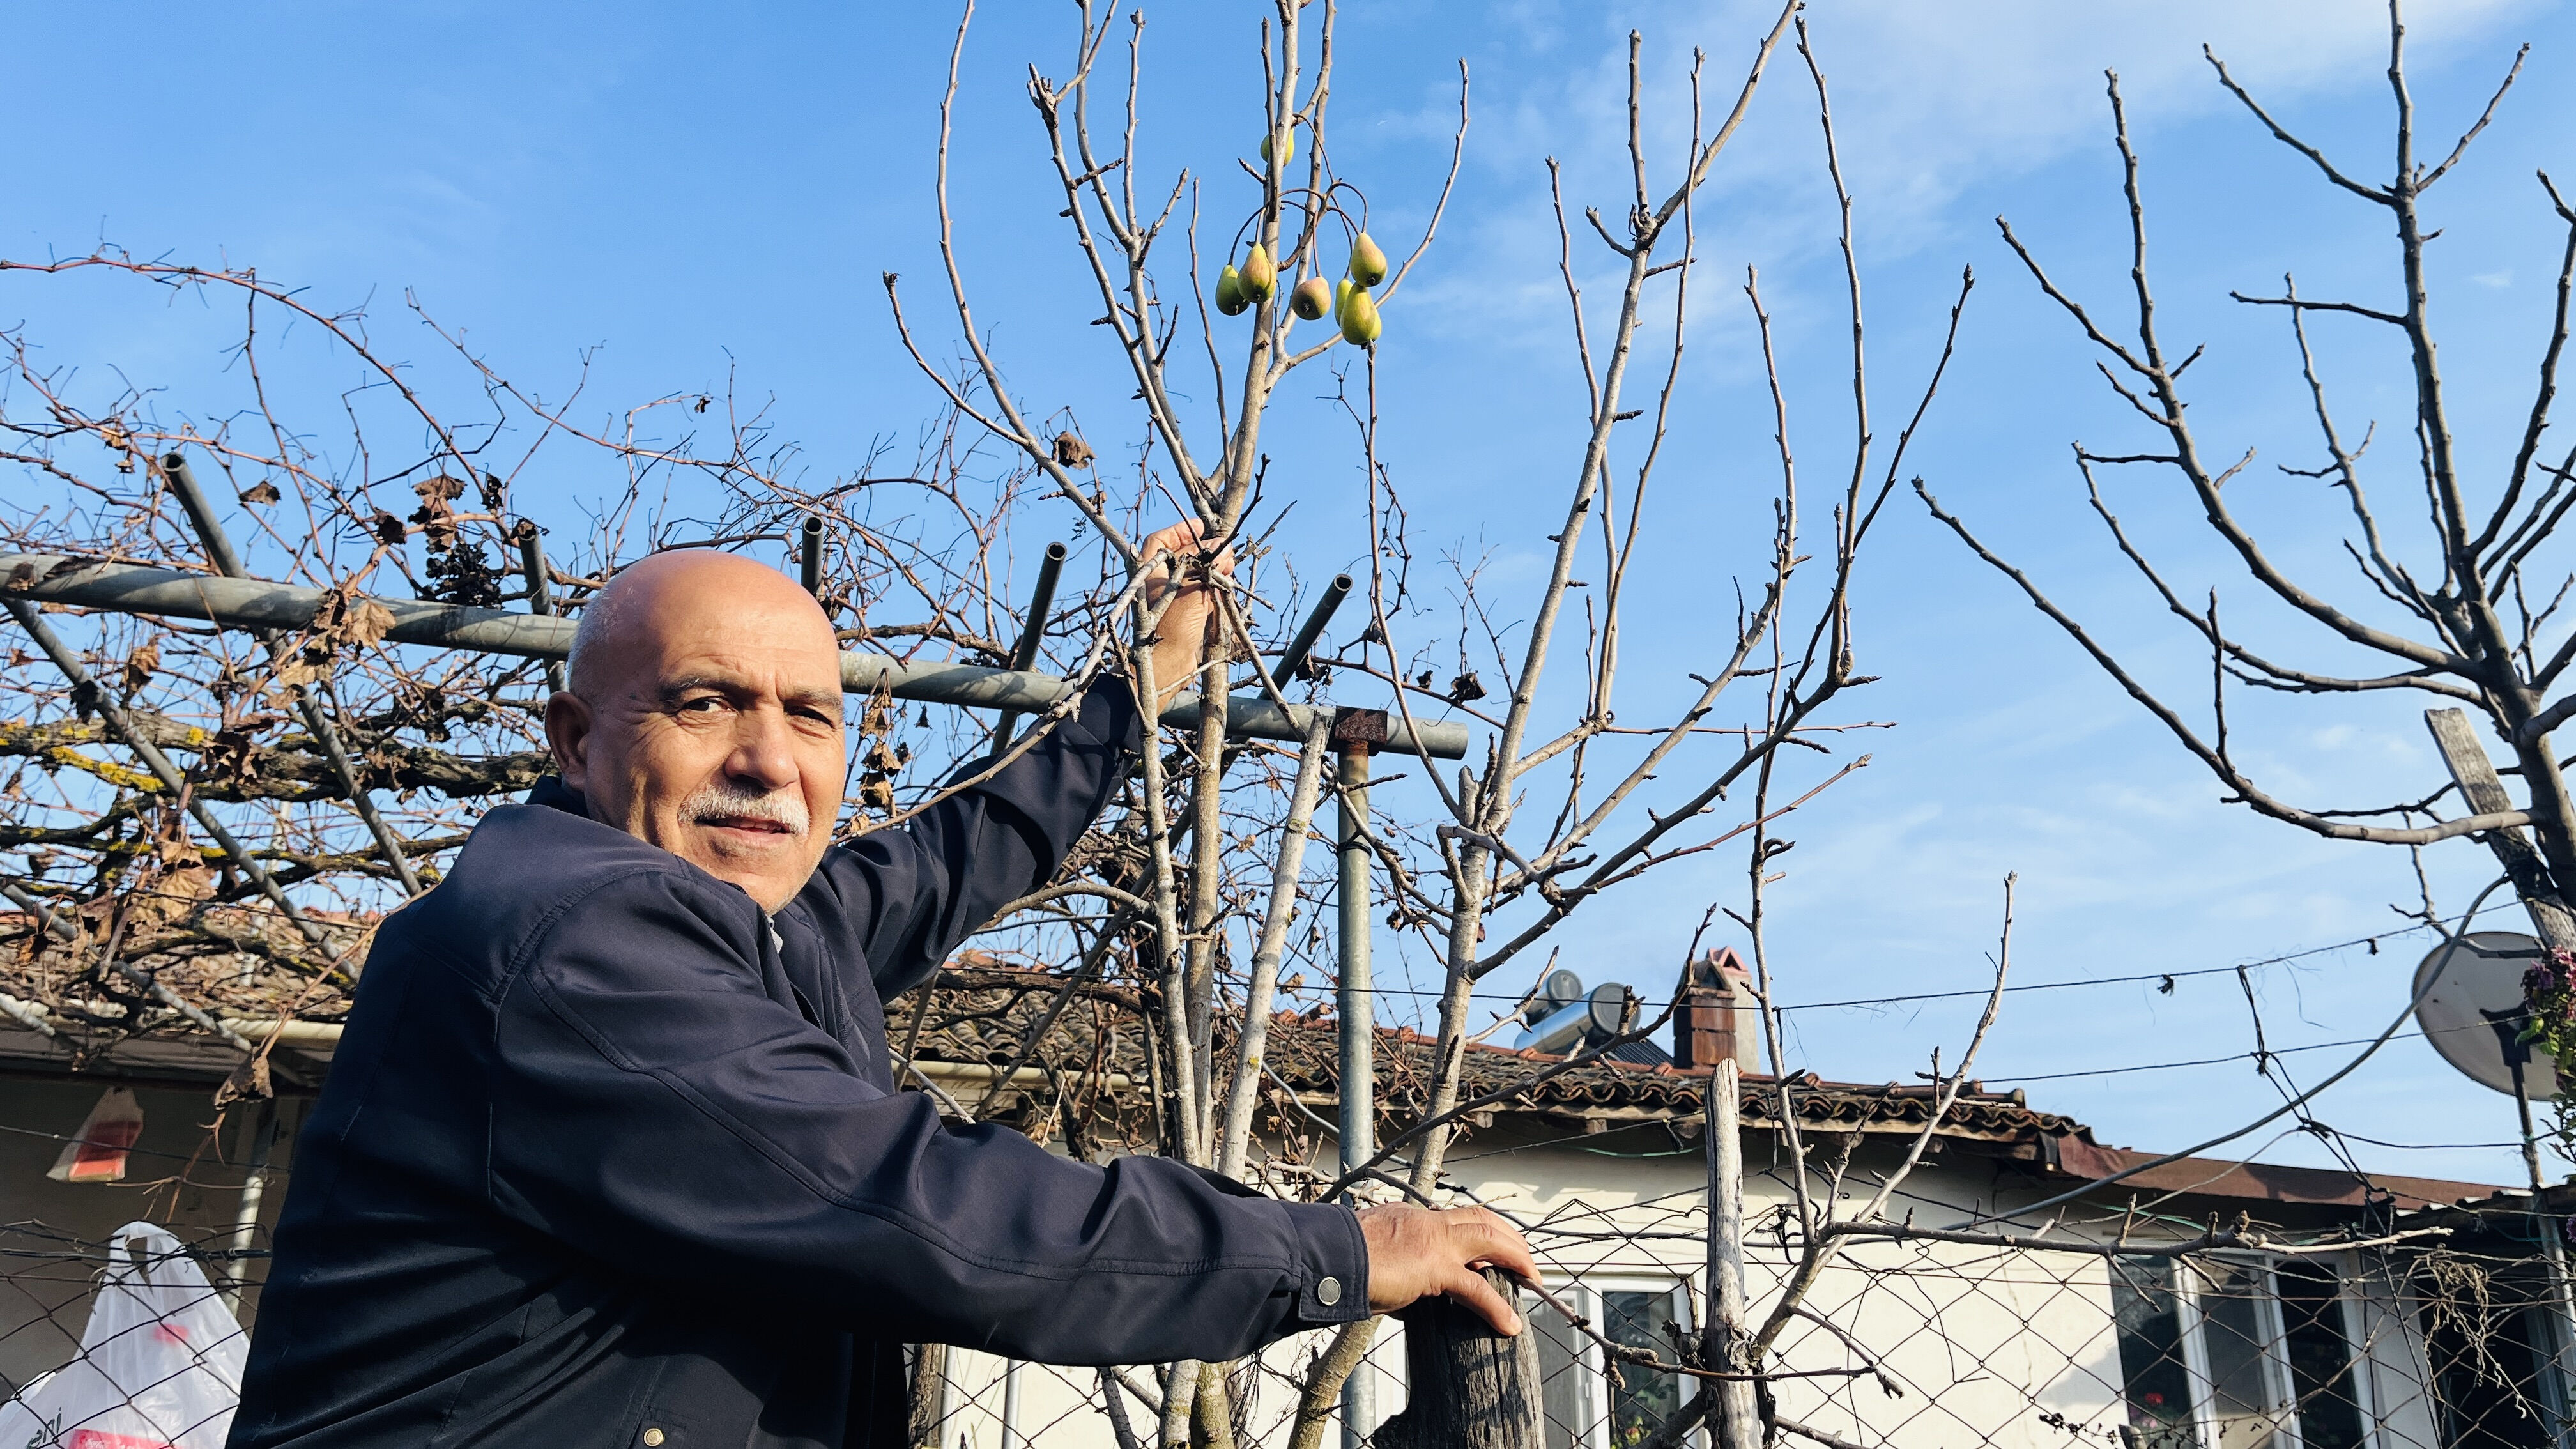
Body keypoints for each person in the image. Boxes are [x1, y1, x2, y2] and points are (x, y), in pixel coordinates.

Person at [229, 522, 1531, 1448]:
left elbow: (967, 850)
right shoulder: (569, 949)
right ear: (575, 742)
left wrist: (1143, 683)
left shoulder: (778, 931)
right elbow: (928, 1212)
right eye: (705, 704)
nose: (768, 760)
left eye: (810, 714)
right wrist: (1333, 1250)